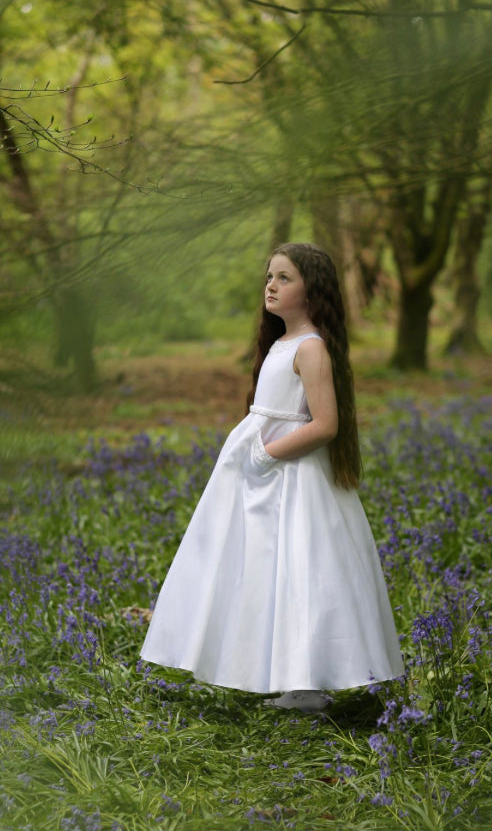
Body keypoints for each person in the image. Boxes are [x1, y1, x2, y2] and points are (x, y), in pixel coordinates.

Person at [140, 242, 403, 711]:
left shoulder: (311, 348)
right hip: (258, 478)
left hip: (293, 479)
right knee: (250, 565)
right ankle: (234, 663)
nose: (271, 285)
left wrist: (265, 454)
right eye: (269, 276)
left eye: (285, 277)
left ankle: (305, 682)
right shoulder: (281, 345)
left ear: (312, 290)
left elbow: (325, 424)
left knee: (300, 566)